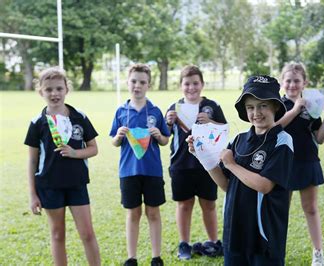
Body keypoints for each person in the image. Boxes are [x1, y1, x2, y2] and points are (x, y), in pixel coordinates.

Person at [188, 75, 294, 265]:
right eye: (250, 107)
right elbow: (226, 185)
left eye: (263, 105)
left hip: (264, 234)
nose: (256, 112)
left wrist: (232, 164)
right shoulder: (238, 140)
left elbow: (264, 185)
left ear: (276, 106)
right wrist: (202, 156)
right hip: (235, 229)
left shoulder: (282, 140)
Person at [25, 67, 101, 265]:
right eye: (48, 89)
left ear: (67, 89)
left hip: (77, 183)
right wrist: (32, 194)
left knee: (87, 233)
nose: (54, 93)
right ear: (40, 92)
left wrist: (75, 153)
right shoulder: (37, 123)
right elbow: (32, 161)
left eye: (59, 88)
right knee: (58, 235)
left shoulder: (79, 117)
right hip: (49, 185)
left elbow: (93, 148)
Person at [110, 64, 170, 266]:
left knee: (153, 212)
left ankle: (156, 256)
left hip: (152, 171)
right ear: (128, 83)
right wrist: (118, 136)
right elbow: (114, 141)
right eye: (134, 81)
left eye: (142, 82)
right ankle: (132, 257)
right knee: (133, 213)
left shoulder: (155, 111)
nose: (137, 85)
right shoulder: (121, 111)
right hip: (128, 171)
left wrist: (159, 135)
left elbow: (164, 141)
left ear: (148, 85)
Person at [165, 65, 226, 260]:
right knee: (184, 205)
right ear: (181, 85)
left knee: (209, 204)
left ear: (202, 84)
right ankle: (184, 244)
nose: (191, 87)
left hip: (208, 165)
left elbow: (224, 130)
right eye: (187, 84)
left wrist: (210, 121)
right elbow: (165, 136)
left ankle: (213, 242)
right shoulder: (174, 108)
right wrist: (167, 122)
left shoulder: (212, 106)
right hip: (181, 165)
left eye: (195, 83)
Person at [277, 63, 324, 266]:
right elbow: (275, 127)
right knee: (280, 210)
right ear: (282, 82)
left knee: (310, 208)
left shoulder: (312, 105)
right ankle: (277, 252)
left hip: (307, 161)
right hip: (283, 164)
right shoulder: (277, 104)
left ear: (304, 83)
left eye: (296, 81)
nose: (292, 85)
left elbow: (319, 138)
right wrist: (295, 109)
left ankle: (318, 252)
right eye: (288, 81)